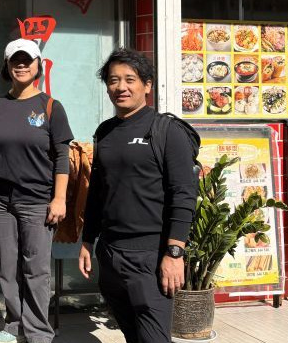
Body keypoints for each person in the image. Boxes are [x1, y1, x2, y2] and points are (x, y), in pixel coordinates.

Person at [78, 48, 198, 343]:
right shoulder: (104, 132)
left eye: (130, 79)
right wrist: (88, 240)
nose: (121, 87)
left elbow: (183, 194)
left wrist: (174, 253)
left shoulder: (167, 130)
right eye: (113, 80)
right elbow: (98, 191)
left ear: (147, 85)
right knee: (132, 336)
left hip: (150, 257)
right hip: (111, 253)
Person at [0, 38, 72, 343]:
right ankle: (14, 326)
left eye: (27, 60)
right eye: (15, 60)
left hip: (38, 201)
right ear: (7, 66)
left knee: (36, 269)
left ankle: (38, 332)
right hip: (1, 201)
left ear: (38, 65)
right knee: (7, 268)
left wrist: (59, 198)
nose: (21, 65)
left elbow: (62, 157)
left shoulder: (51, 107)